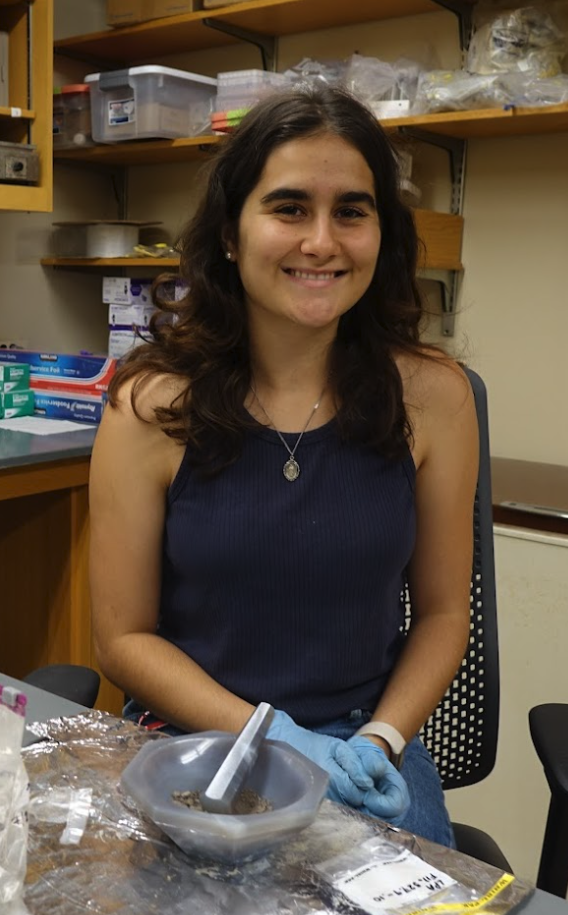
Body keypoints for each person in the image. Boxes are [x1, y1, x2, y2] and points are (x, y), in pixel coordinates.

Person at [88, 86, 478, 848]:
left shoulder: (433, 397)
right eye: (289, 208)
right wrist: (274, 736)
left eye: (351, 212)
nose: (321, 242)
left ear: (381, 234)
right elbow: (123, 641)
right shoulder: (152, 405)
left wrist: (380, 741)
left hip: (360, 742)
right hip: (193, 737)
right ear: (232, 234)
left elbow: (440, 614)